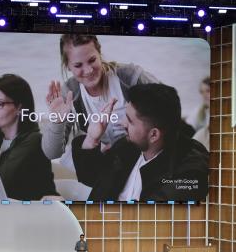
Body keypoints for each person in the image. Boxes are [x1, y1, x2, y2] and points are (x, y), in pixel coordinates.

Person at [71, 83, 208, 202]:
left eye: (130, 121)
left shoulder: (189, 172)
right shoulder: (128, 146)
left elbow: (154, 218)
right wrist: (92, 138)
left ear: (153, 134)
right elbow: (92, 177)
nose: (122, 123)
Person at [42, 34, 159, 162]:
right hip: (108, 164)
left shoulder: (129, 77)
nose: (88, 70)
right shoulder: (70, 93)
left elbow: (169, 107)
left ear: (99, 53)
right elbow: (52, 154)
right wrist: (57, 121)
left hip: (143, 156)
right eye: (78, 65)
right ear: (68, 66)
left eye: (92, 60)